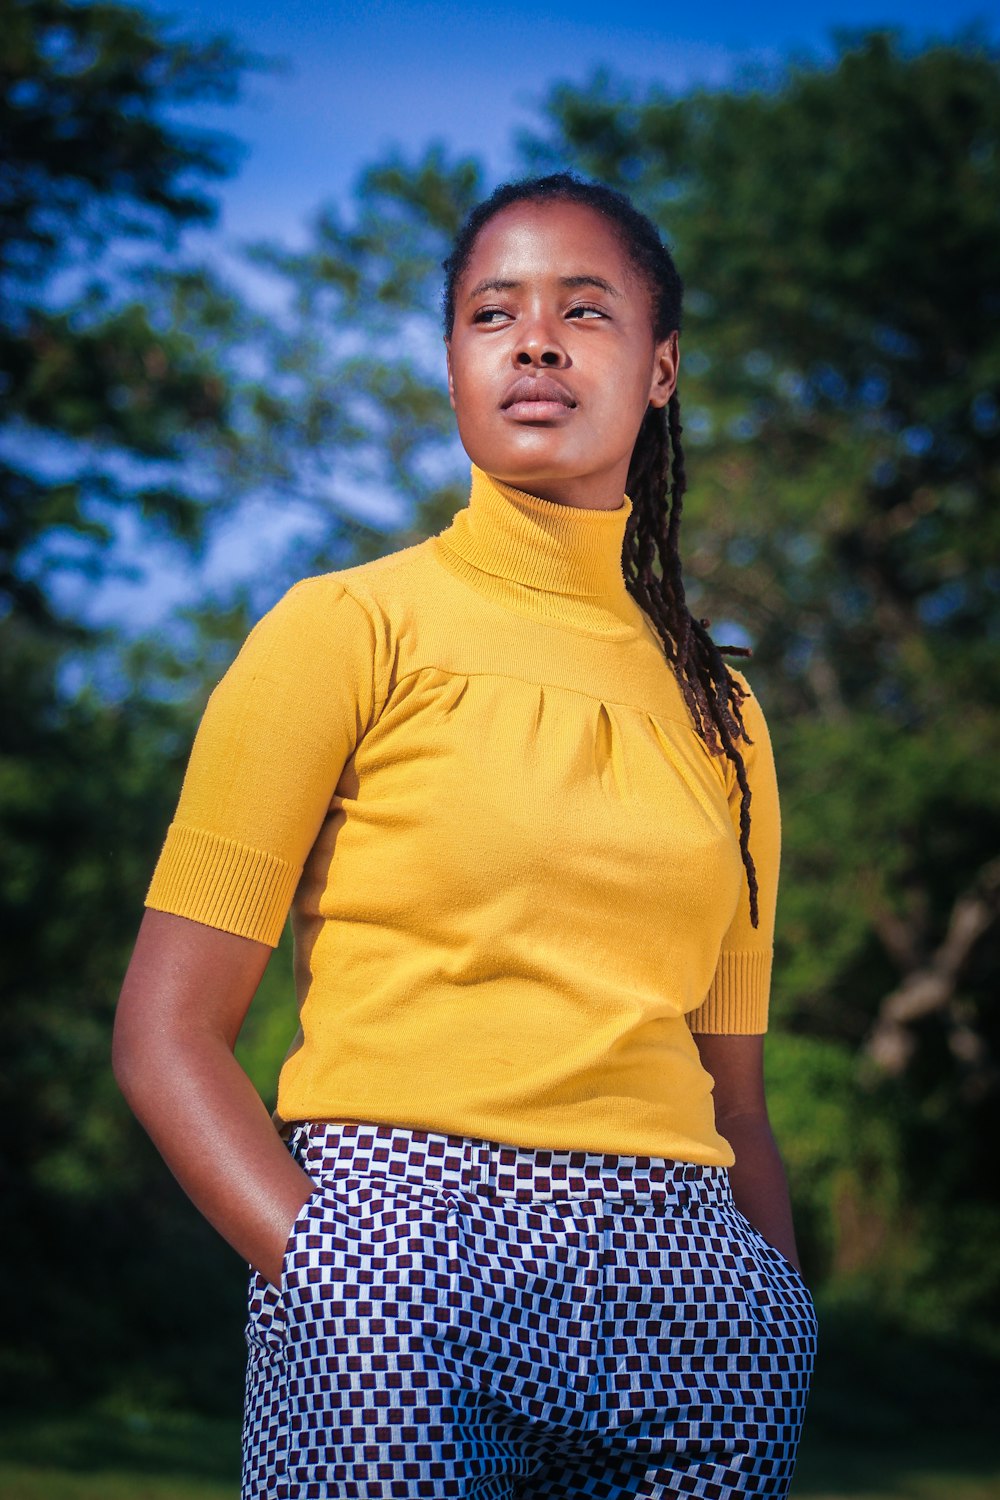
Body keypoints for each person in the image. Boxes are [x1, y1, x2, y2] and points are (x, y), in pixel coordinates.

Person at [113, 171, 818, 1499]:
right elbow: (165, 1032)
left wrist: (778, 1316)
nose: (538, 340)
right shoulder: (343, 630)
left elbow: (738, 1097)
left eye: (587, 312)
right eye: (494, 312)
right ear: (453, 361)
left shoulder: (727, 715)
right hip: (398, 1261)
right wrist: (336, 1283)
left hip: (697, 1309)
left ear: (660, 369)